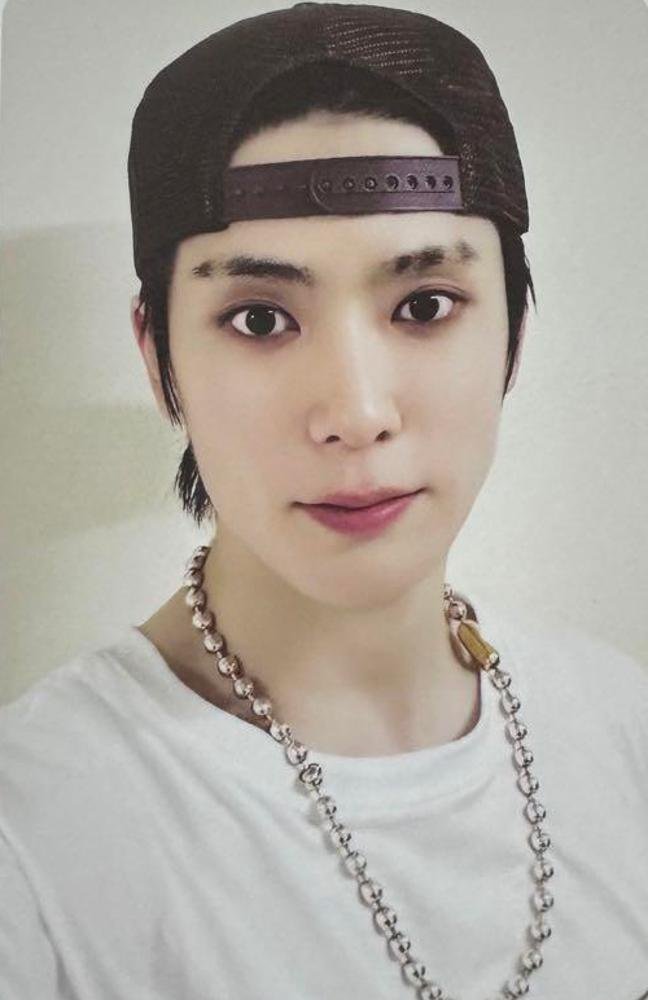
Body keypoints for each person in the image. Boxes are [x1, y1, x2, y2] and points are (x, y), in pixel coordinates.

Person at [1, 5, 647, 1000]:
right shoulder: (34, 839)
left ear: (515, 332)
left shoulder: (623, 729)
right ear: (158, 358)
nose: (356, 413)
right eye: (260, 319)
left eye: (424, 305)